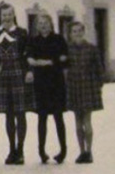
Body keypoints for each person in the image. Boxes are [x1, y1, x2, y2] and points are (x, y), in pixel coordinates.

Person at [0, 3, 33, 165]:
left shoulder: (22, 33)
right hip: (3, 76)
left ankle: (20, 150)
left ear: (14, 15)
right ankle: (11, 149)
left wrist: (29, 70)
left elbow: (28, 53)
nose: (6, 18)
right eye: (3, 15)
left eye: (9, 15)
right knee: (8, 114)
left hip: (18, 74)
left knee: (20, 113)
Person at [27, 15, 69, 164]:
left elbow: (64, 59)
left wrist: (46, 62)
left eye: (46, 23)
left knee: (58, 117)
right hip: (41, 84)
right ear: (37, 27)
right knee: (42, 118)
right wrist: (40, 62)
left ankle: (63, 150)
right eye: (40, 23)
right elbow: (30, 58)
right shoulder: (34, 41)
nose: (43, 26)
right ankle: (41, 151)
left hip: (56, 83)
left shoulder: (59, 39)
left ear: (51, 25)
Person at [64, 21, 105, 164]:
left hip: (88, 86)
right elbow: (64, 67)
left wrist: (98, 85)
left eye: (79, 31)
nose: (77, 33)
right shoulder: (67, 49)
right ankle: (81, 151)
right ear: (70, 34)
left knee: (87, 119)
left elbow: (100, 69)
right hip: (74, 86)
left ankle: (89, 151)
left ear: (83, 32)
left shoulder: (92, 49)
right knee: (77, 120)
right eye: (74, 31)